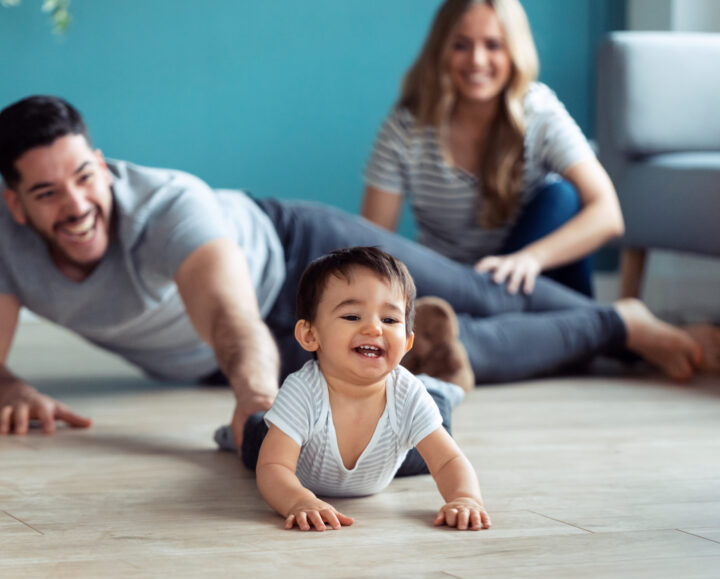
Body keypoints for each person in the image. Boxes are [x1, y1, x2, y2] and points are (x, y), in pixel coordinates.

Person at [0, 96, 717, 445]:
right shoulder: (6, 243)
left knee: (480, 294)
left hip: (293, 255)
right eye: (47, 192)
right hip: (235, 352)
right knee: (445, 350)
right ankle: (616, 322)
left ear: (101, 163)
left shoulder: (166, 206)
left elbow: (230, 319)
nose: (78, 204)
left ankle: (631, 328)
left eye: (86, 176)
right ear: (14, 205)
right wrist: (13, 383)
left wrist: (256, 402)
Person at [362, 0, 623, 297]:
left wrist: (530, 258)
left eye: (493, 45)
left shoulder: (538, 112)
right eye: (461, 45)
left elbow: (609, 215)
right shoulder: (407, 127)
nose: (477, 60)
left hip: (523, 276)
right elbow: (373, 243)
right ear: (441, 50)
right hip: (450, 283)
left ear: (514, 51)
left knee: (561, 196)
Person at [247, 247, 491, 531]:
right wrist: (299, 500)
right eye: (352, 316)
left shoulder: (406, 393)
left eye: (389, 320)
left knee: (435, 434)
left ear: (407, 343)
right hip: (295, 448)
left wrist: (465, 498)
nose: (375, 329)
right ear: (311, 335)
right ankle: (243, 425)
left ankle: (444, 385)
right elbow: (273, 468)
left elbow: (449, 460)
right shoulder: (303, 391)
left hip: (385, 460)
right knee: (254, 438)